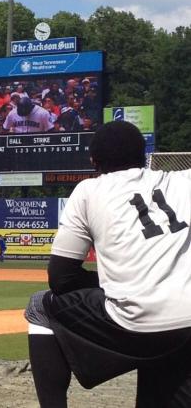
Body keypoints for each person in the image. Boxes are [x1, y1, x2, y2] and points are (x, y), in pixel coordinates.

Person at [25, 120, 191, 408]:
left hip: (135, 326)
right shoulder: (183, 180)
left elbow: (61, 278)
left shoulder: (89, 190)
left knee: (39, 307)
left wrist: (110, 283)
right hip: (188, 324)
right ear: (145, 156)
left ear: (94, 161)